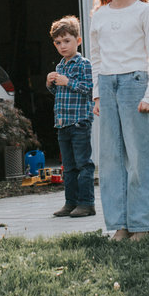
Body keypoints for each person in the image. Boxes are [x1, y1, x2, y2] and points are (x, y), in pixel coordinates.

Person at [89, 0, 149, 241]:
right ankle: (120, 225)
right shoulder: (99, 16)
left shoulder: (144, 12)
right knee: (110, 159)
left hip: (136, 85)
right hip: (107, 87)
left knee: (139, 157)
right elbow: (96, 58)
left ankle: (145, 224)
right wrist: (97, 95)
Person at [46, 15, 95, 218]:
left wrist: (69, 82)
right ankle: (70, 202)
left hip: (80, 121)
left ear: (78, 41)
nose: (62, 46)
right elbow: (59, 94)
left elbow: (90, 89)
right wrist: (50, 84)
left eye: (67, 41)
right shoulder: (60, 67)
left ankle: (87, 203)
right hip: (63, 122)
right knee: (68, 166)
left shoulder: (84, 64)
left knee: (83, 164)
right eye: (58, 42)